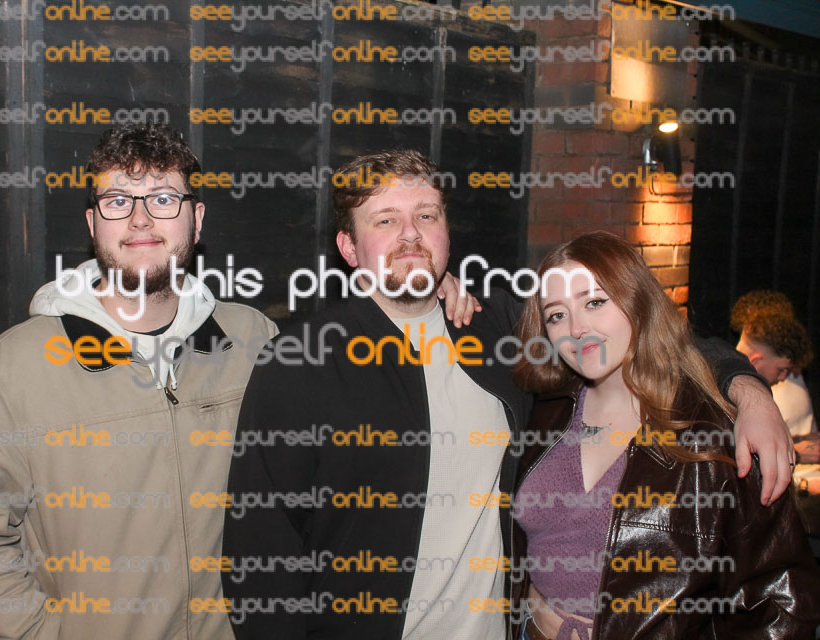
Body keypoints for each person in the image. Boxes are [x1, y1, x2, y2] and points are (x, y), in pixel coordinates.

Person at [221, 150, 796, 639]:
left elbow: (643, 334)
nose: (411, 235)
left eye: (426, 215)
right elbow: (258, 556)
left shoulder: (496, 332)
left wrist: (748, 391)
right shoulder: (299, 364)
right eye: (386, 220)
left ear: (446, 232)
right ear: (349, 248)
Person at [0, 124, 278, 640]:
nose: (140, 218)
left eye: (163, 198)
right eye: (117, 201)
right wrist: (43, 633)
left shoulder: (254, 340)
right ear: (93, 223)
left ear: (196, 219)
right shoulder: (12, 370)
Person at [509, 232, 820, 639]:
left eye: (595, 302)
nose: (576, 328)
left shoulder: (713, 433)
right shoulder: (545, 407)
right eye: (556, 315)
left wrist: (751, 392)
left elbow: (779, 599)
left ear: (637, 301)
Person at [730, 290, 818, 463]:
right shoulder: (732, 394)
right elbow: (737, 460)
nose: (784, 377)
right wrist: (798, 455)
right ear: (755, 360)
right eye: (781, 370)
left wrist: (800, 440)